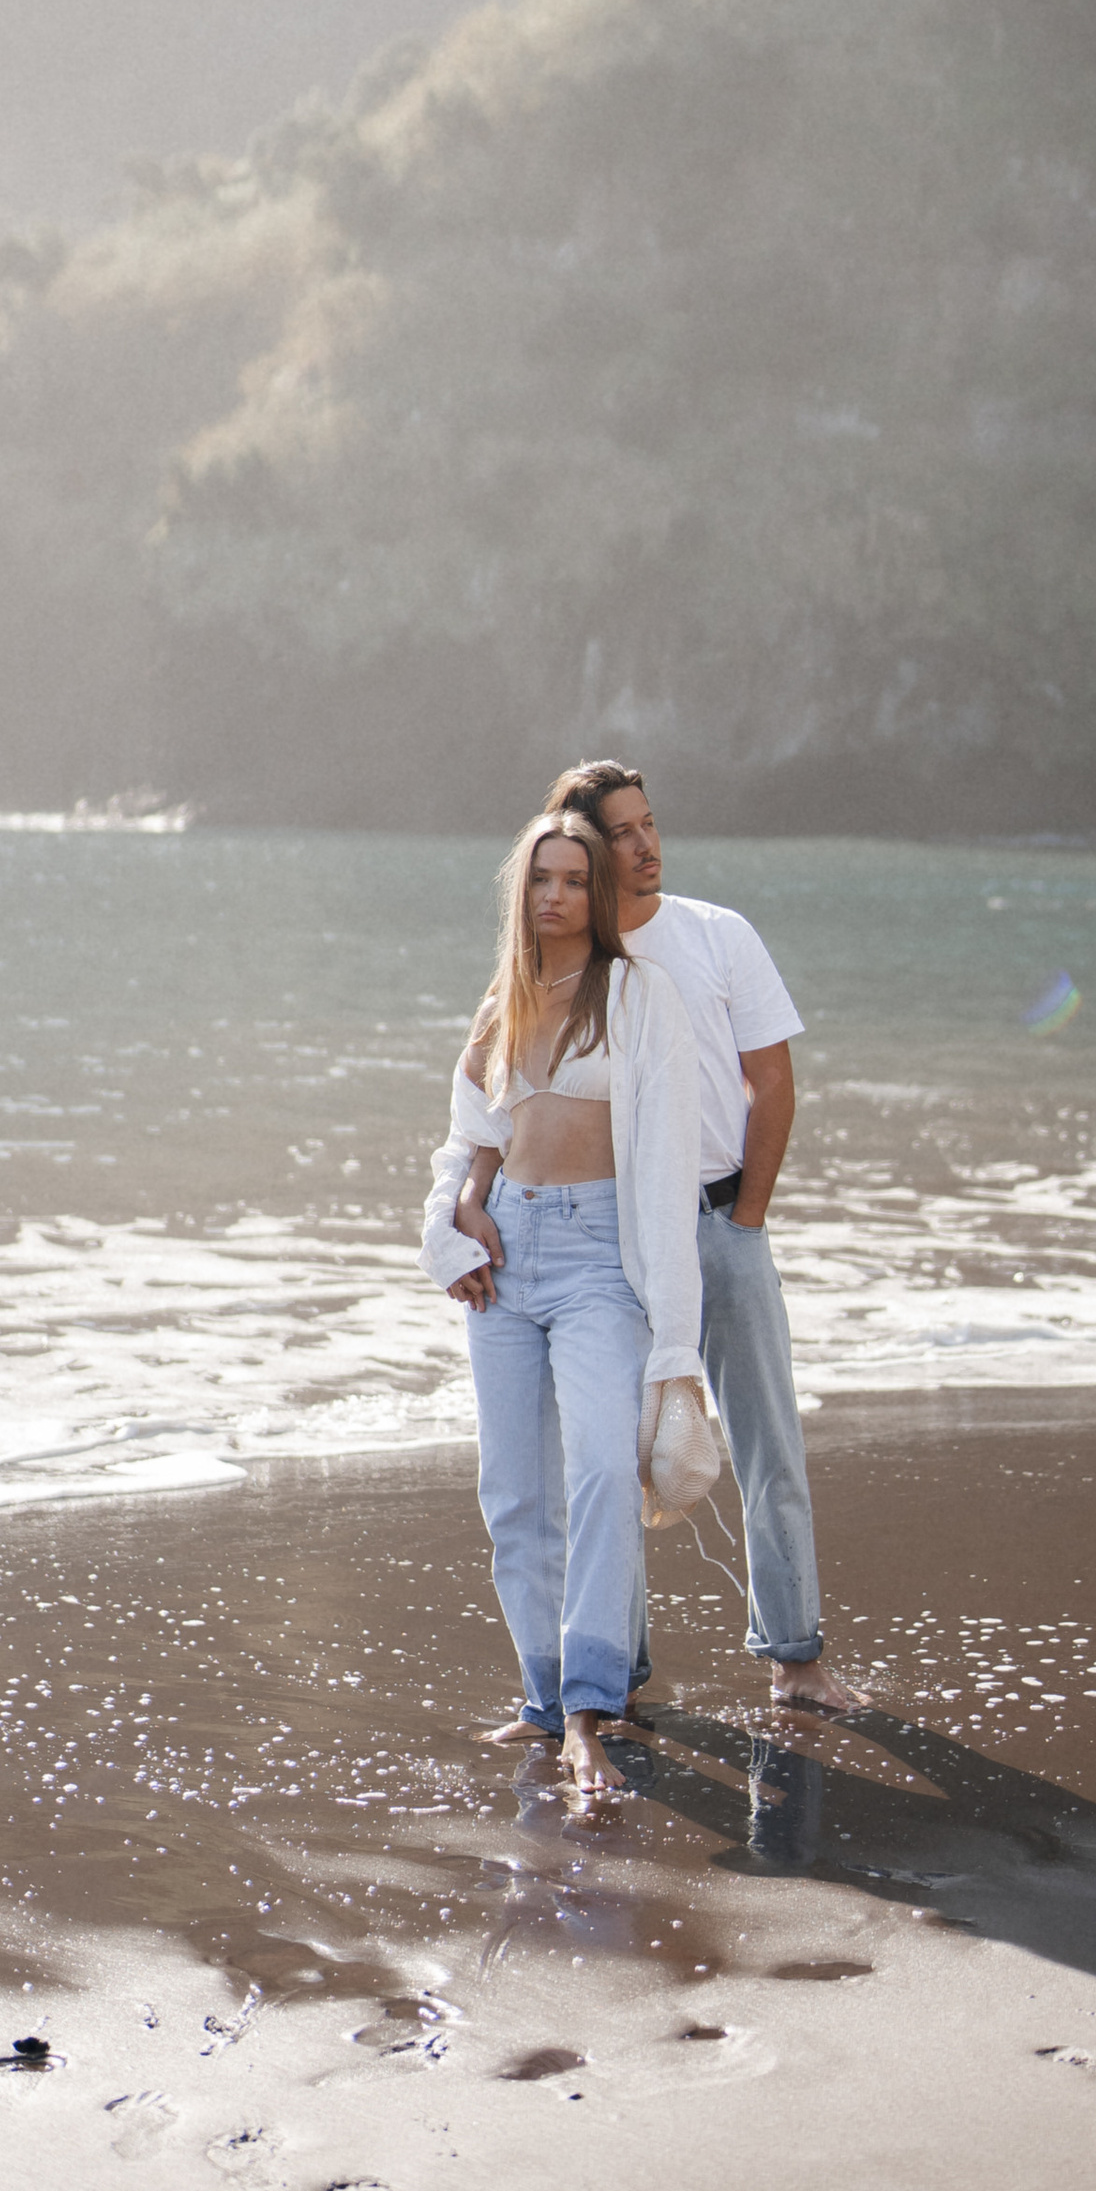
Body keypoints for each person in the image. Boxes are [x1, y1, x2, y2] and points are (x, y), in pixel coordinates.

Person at [549, 761, 863, 1714]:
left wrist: (747, 1217)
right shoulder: (573, 959)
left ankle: (796, 1658)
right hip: (613, 1231)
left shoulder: (719, 934)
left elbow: (774, 1082)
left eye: (650, 824)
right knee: (615, 1457)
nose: (647, 845)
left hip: (720, 1220)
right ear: (588, 847)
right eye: (623, 833)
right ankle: (620, 1674)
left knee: (770, 1446)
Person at [419, 810, 708, 1796]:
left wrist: (675, 1332)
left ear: (598, 894)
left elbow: (666, 1159)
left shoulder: (638, 994)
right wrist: (452, 1224)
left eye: (575, 879)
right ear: (522, 890)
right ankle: (544, 1698)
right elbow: (470, 1140)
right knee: (512, 1493)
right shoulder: (502, 1000)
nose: (555, 895)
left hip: (598, 1259)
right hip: (506, 1252)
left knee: (601, 1472)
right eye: (541, 878)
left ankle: (591, 1709)